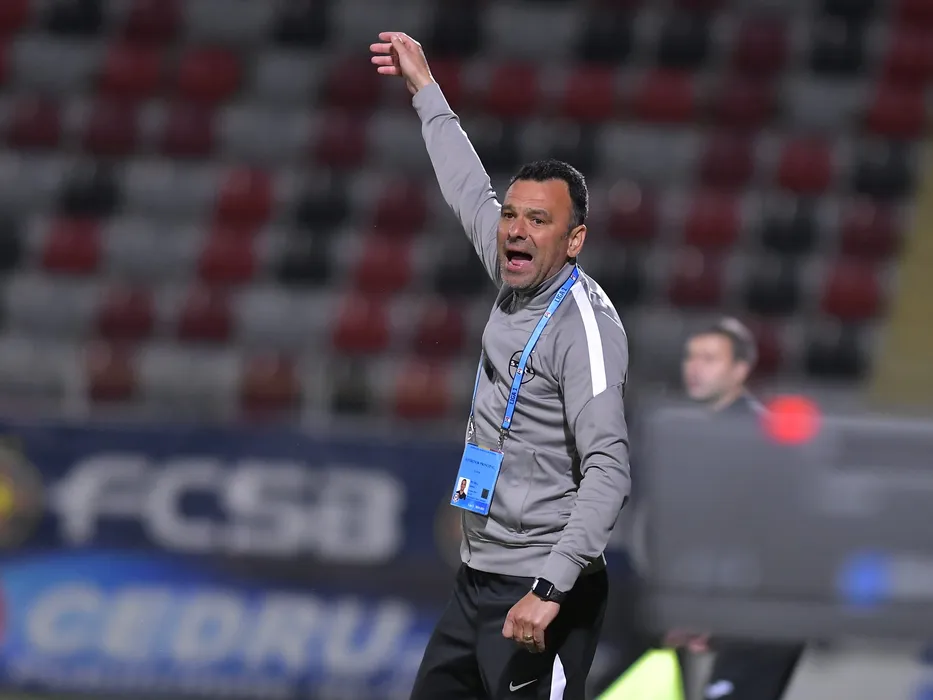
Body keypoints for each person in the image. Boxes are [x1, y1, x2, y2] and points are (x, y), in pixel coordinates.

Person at [370, 32, 632, 700]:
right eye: (511, 215)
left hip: (541, 594)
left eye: (537, 220)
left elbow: (608, 469)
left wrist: (550, 589)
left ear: (573, 240)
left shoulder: (584, 331)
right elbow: (466, 186)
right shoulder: (516, 274)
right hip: (478, 579)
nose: (514, 229)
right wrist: (424, 88)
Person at [680, 318, 804, 700]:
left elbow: (771, 534)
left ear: (740, 370)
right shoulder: (711, 431)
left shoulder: (754, 437)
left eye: (710, 358)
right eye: (691, 357)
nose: (695, 367)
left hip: (765, 609)